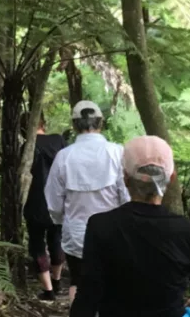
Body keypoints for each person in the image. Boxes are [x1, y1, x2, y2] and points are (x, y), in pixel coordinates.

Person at [70, 135, 190, 317]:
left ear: (126, 178)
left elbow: (88, 294)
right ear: (171, 178)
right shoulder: (185, 230)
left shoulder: (100, 226)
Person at [45, 100, 128, 302]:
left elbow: (53, 200)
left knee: (78, 282)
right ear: (101, 122)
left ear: (74, 125)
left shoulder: (64, 156)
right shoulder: (117, 152)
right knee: (112, 282)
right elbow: (126, 196)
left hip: (76, 232)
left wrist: (61, 220)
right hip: (113, 232)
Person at [0, 113, 67, 300]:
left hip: (35, 204)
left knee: (37, 245)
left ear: (22, 129)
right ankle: (57, 281)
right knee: (57, 240)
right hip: (59, 201)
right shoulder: (59, 141)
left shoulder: (25, 148)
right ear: (44, 123)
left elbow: (14, 178)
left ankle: (49, 291)